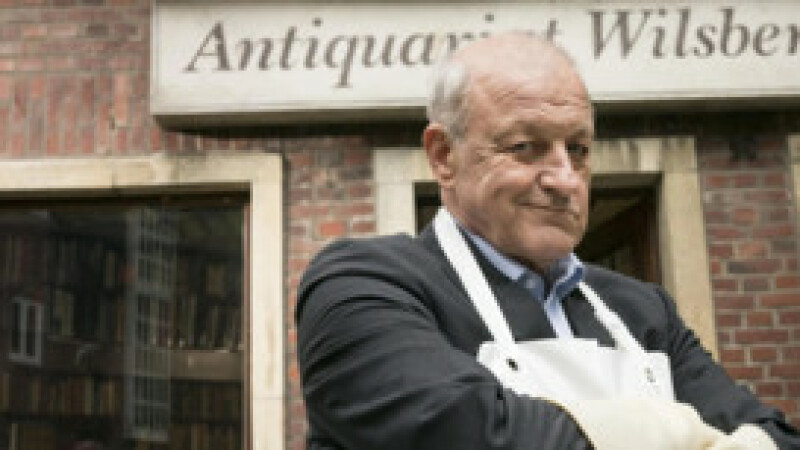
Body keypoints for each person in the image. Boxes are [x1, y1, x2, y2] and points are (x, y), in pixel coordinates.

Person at [296, 33, 800, 449]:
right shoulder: (363, 286)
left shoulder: (643, 311)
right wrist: (678, 431)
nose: (565, 180)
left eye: (578, 149)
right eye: (525, 147)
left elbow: (775, 436)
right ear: (444, 155)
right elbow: (476, 435)